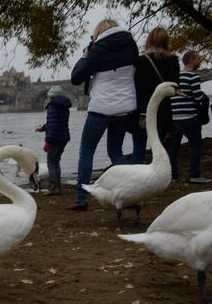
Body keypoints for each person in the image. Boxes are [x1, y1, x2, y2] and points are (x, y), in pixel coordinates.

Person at [68, 19, 139, 211]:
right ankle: (131, 194)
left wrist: (84, 57)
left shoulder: (98, 50)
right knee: (115, 151)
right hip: (125, 107)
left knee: (86, 152)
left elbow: (76, 78)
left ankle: (81, 198)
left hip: (101, 109)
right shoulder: (132, 46)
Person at [131, 27, 180, 163]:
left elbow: (135, 85)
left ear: (149, 40)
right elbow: (174, 86)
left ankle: (137, 176)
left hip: (143, 111)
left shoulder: (140, 61)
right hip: (163, 111)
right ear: (165, 41)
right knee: (161, 149)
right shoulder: (173, 61)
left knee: (139, 148)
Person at [169, 51, 209, 183]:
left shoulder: (175, 76)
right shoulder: (193, 77)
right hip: (189, 116)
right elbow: (197, 97)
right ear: (191, 60)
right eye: (198, 59)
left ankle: (173, 175)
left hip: (175, 117)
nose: (200, 61)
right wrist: (204, 97)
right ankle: (195, 175)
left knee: (173, 147)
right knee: (195, 145)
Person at [36, 86, 71, 195]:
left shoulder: (52, 107)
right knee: (56, 161)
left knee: (51, 161)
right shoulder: (64, 106)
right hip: (63, 137)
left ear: (51, 96)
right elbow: (55, 123)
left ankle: (54, 188)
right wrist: (43, 128)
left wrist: (48, 141)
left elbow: (53, 125)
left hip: (55, 138)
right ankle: (57, 186)